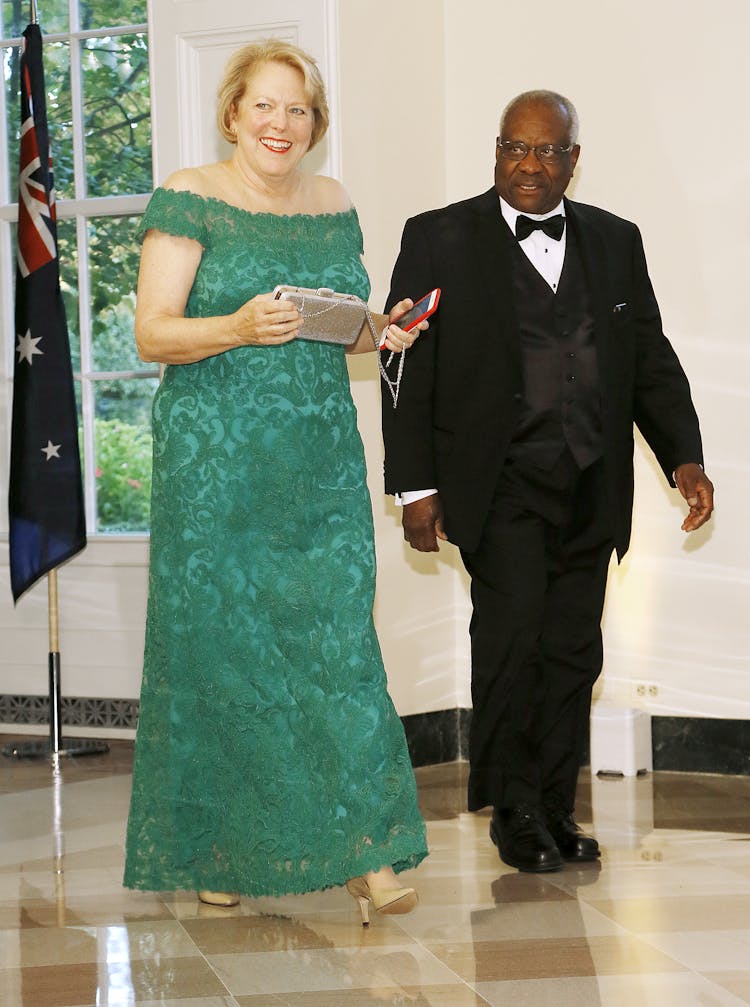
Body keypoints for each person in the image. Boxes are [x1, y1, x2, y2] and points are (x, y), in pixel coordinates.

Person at [123, 39, 428, 921]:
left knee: (337, 648)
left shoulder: (335, 204)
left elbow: (342, 325)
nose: (280, 124)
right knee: (228, 654)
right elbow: (153, 333)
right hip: (214, 463)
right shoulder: (189, 196)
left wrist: (382, 330)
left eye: (298, 110)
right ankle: (227, 848)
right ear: (232, 113)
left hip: (319, 460)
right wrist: (238, 323)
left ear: (315, 124)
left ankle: (368, 852)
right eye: (265, 105)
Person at [381, 90, 714, 873]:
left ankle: (556, 805)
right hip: (498, 485)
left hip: (592, 483)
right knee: (511, 641)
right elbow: (405, 365)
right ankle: (513, 807)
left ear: (572, 159)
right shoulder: (437, 237)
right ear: (495, 151)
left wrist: (684, 457)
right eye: (514, 148)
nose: (528, 165)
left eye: (546, 151)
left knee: (572, 652)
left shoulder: (616, 240)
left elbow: (650, 362)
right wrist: (414, 486)